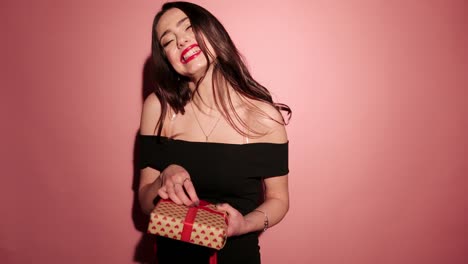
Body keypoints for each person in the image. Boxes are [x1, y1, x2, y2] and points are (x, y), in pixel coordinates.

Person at [138, 1, 291, 263]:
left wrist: (244, 224)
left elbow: (278, 199)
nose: (182, 41)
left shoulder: (264, 117)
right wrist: (164, 177)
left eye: (188, 28)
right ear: (167, 59)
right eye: (168, 41)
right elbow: (144, 201)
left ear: (213, 33)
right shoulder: (159, 109)